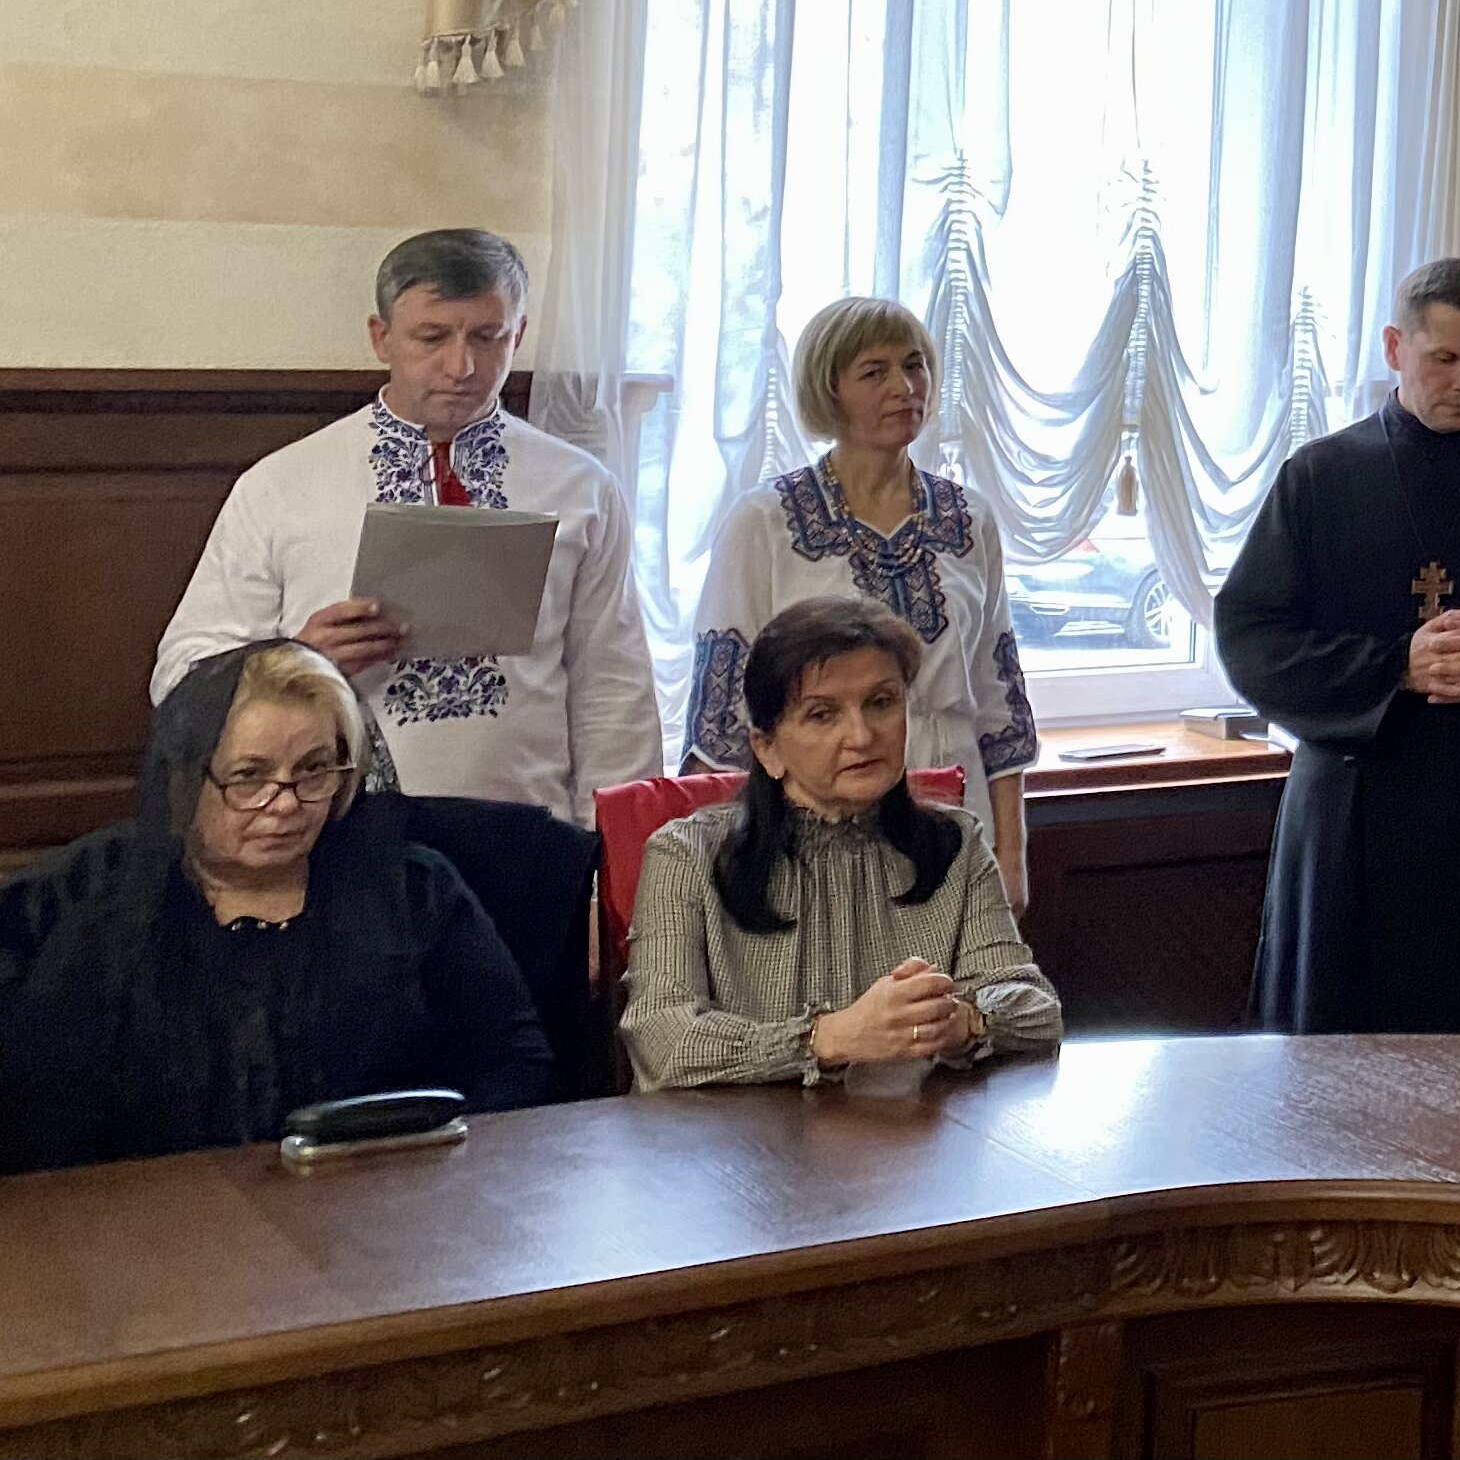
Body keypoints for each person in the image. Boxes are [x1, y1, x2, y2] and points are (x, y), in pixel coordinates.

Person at [1218, 257, 1460, 1034]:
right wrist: (1394, 666)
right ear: (1395, 347)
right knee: (1342, 1054)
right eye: (1446, 359)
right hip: (1354, 816)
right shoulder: (1321, 477)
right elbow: (1251, 635)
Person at [152, 228, 661, 823]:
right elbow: (181, 672)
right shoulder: (280, 486)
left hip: (526, 826)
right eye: (432, 337)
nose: (461, 366)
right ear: (381, 337)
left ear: (518, 335)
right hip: (330, 829)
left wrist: (612, 841)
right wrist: (295, 661)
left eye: (487, 337)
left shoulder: (582, 488)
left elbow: (612, 684)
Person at [0, 639, 553, 1170]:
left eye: (314, 770)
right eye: (250, 776)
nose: (286, 804)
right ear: (186, 778)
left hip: (379, 1200)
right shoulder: (75, 899)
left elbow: (514, 1061)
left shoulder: (413, 891)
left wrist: (430, 1171)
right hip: (136, 1215)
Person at [622, 596, 1060, 1090]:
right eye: (822, 714)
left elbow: (1036, 1008)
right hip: (738, 1136)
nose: (862, 736)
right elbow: (660, 1038)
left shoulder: (957, 843)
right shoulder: (685, 855)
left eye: (881, 703)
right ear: (767, 749)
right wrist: (827, 1039)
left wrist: (962, 1022)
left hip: (907, 1133)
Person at [684, 298, 1038, 907]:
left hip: (956, 815)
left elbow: (999, 702)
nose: (905, 387)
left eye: (915, 365)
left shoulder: (969, 519)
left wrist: (1012, 856)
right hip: (813, 824)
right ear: (830, 391)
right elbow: (721, 721)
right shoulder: (764, 522)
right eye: (875, 372)